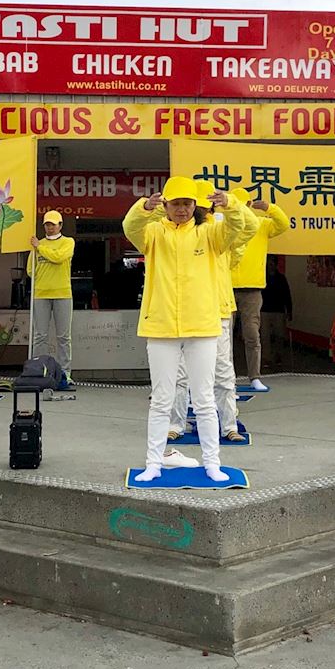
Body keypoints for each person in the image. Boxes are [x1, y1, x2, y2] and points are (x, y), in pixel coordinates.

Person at [123, 176, 256, 482]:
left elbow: (241, 227)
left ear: (195, 205)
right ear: (166, 205)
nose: (181, 209)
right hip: (161, 326)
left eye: (187, 203)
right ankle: (153, 463)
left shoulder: (210, 233)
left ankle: (212, 463)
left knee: (204, 398)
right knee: (161, 399)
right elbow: (130, 227)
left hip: (202, 325)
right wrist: (144, 207)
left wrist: (231, 204)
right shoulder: (153, 232)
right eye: (175, 204)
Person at [229, 187, 290, 392]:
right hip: (226, 286)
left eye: (243, 205)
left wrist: (269, 208)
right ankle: (225, 379)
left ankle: (254, 376)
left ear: (248, 205)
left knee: (252, 335)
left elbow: (283, 224)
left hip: (253, 289)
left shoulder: (261, 225)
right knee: (223, 338)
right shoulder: (225, 224)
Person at [29, 211, 76, 391]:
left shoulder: (68, 242)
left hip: (63, 293)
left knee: (64, 336)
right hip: (40, 293)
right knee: (40, 336)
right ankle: (37, 371)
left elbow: (59, 257)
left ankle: (65, 374)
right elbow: (30, 270)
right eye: (47, 224)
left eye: (53, 224)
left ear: (60, 225)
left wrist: (40, 248)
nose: (50, 227)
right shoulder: (37, 244)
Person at [260, 256, 293, 371]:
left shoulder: (281, 278)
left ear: (276, 264)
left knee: (280, 335)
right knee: (265, 336)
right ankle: (266, 358)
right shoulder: (262, 277)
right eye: (269, 263)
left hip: (279, 310)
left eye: (272, 263)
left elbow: (287, 295)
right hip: (264, 310)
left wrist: (289, 310)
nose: (271, 265)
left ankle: (278, 355)